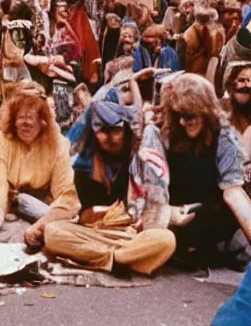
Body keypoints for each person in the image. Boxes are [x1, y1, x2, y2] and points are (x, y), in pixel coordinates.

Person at [42, 102, 176, 275]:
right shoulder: (85, 165)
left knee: (166, 239)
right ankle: (120, 259)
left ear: (126, 130)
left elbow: (152, 208)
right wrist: (100, 214)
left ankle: (113, 258)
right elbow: (85, 216)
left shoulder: (140, 158)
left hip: (132, 234)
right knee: (53, 233)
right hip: (98, 234)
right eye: (102, 131)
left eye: (116, 130)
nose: (109, 137)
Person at [143, 75, 251, 269]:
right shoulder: (161, 133)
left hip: (210, 214)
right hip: (172, 213)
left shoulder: (224, 137)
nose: (184, 122)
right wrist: (168, 214)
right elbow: (153, 189)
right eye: (179, 116)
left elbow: (233, 193)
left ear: (205, 113)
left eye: (191, 116)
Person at [0, 93, 80, 246]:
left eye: (31, 120)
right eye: (21, 119)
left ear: (43, 123)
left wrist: (44, 223)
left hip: (40, 204)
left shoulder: (59, 144)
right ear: (13, 122)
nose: (26, 125)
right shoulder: (1, 139)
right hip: (7, 200)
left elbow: (65, 192)